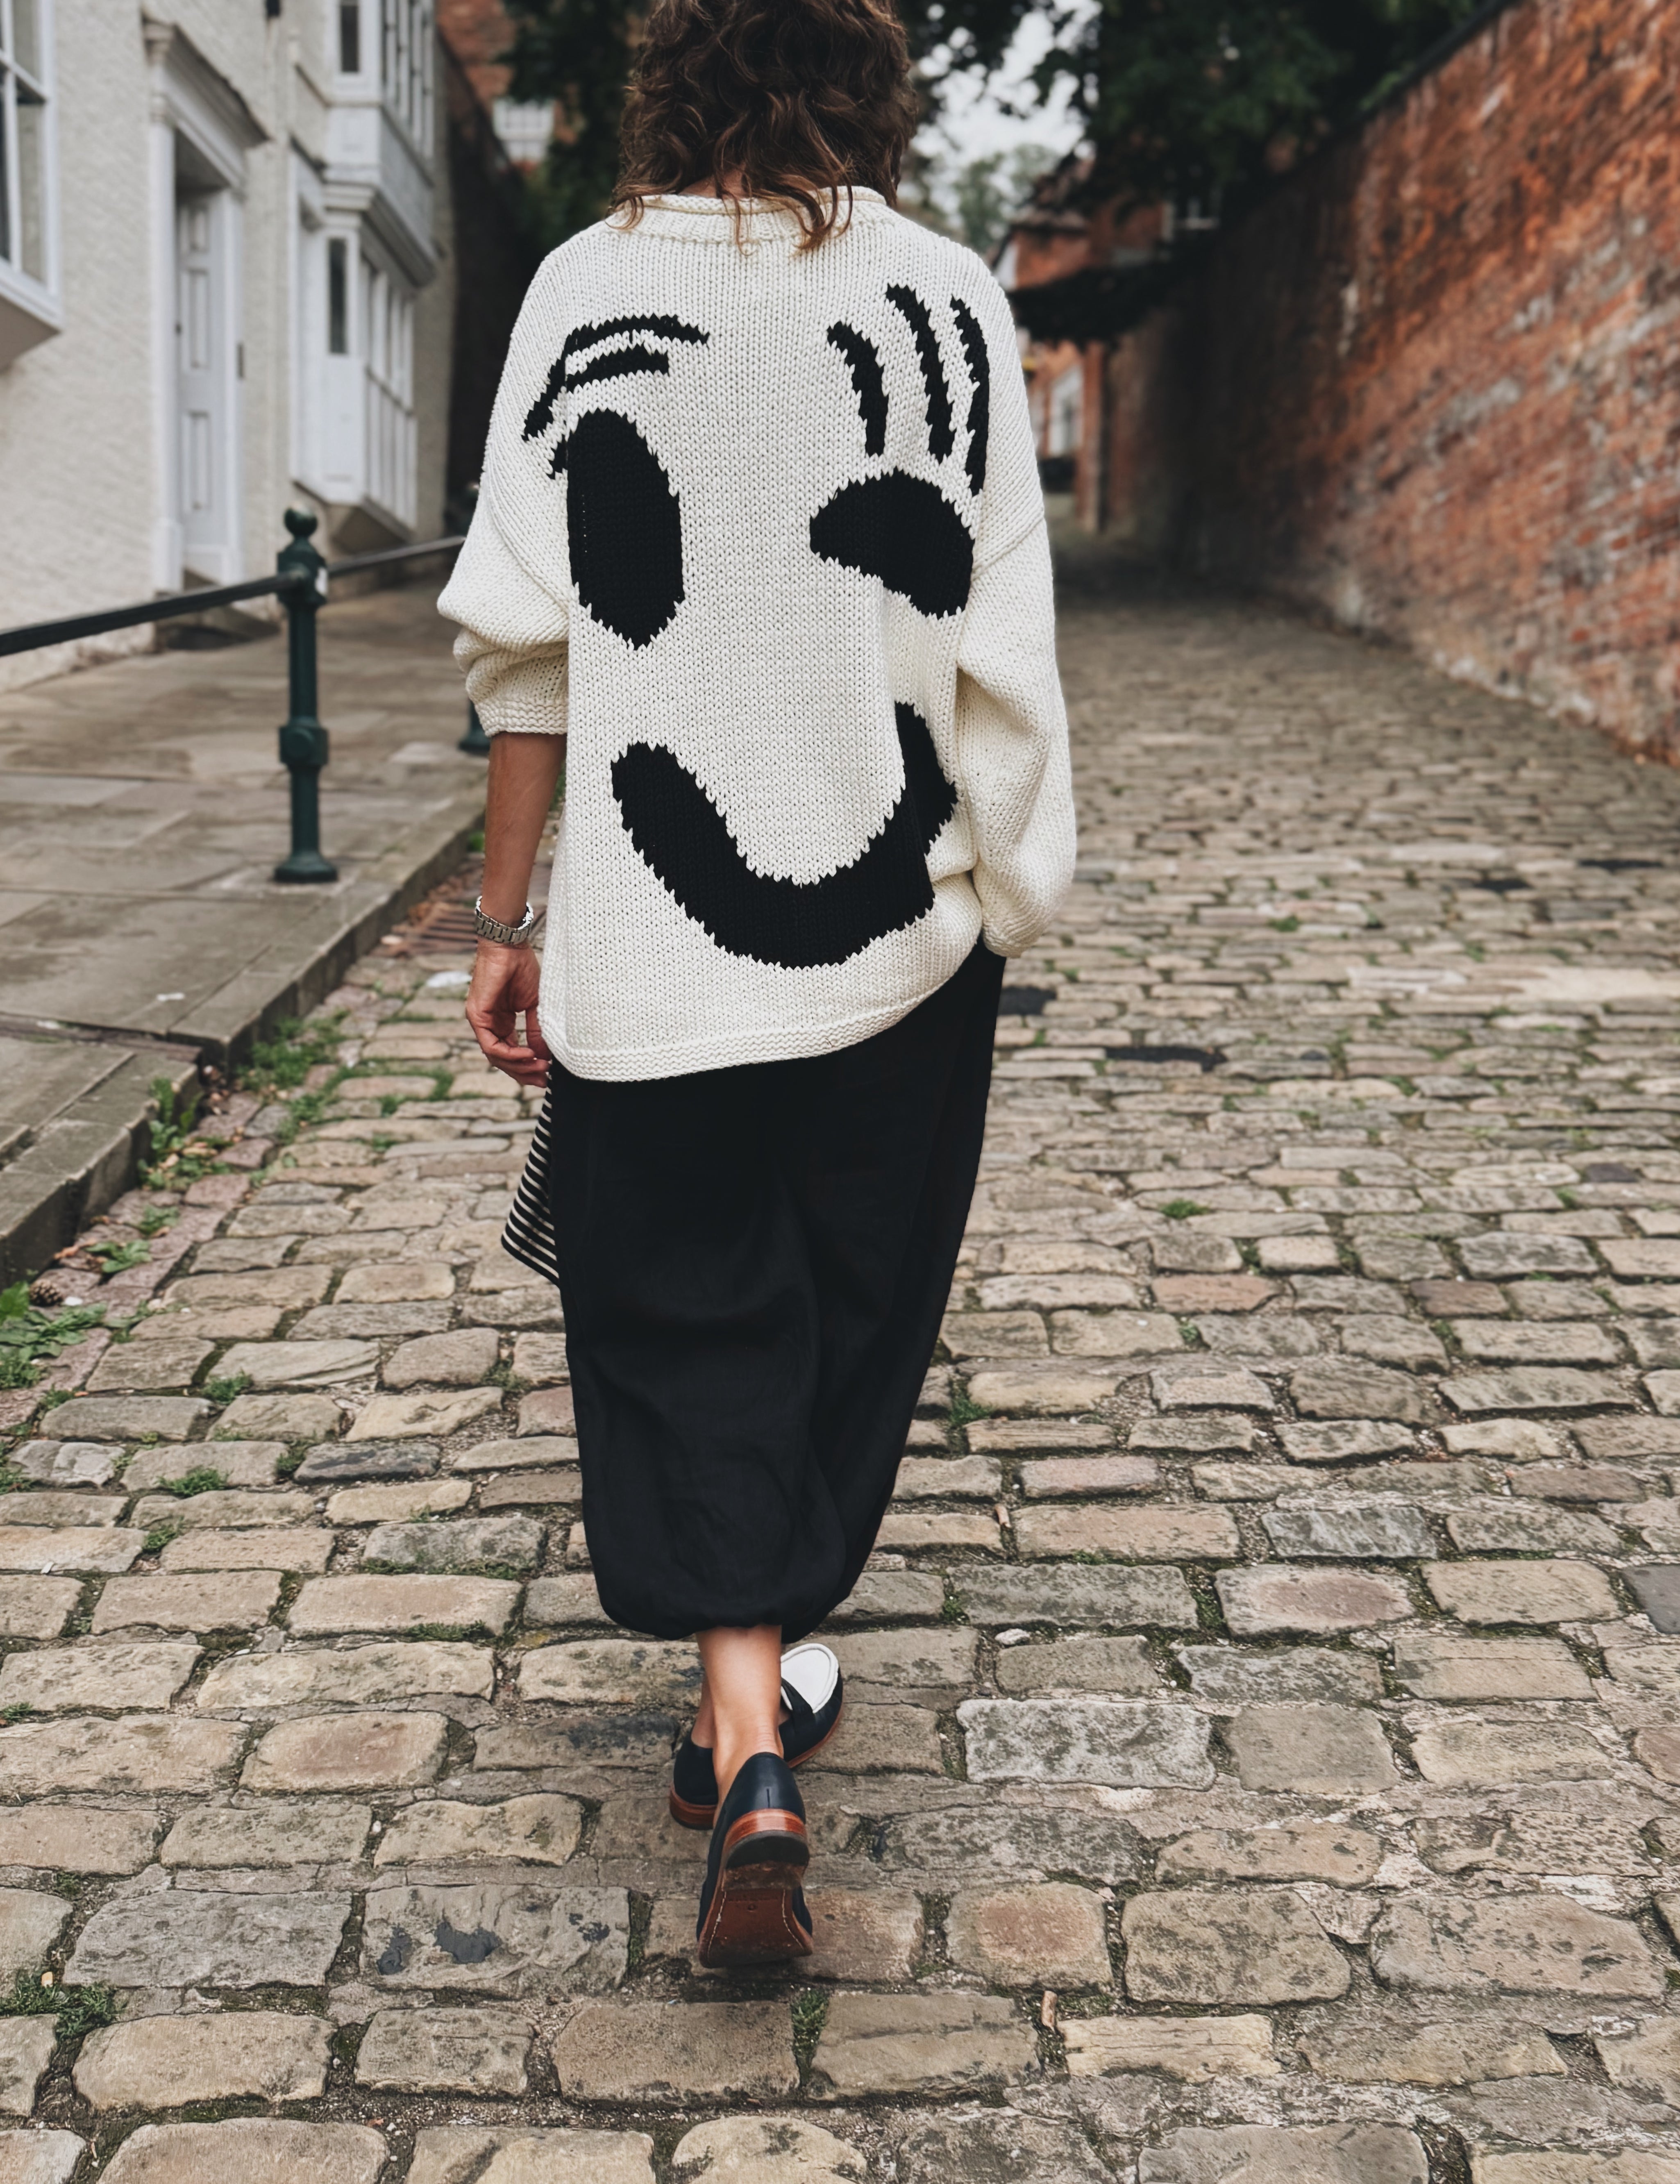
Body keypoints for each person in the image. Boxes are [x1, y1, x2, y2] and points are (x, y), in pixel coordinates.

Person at [439, 0, 1075, 1968]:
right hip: (893, 945)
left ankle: (744, 1723)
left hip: (649, 938)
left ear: (672, 73)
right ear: (867, 83)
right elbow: (1002, 648)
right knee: (850, 1307)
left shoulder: (578, 286)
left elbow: (527, 658)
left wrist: (503, 918)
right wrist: (1007, 886)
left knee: (684, 1305)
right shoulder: (952, 300)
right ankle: (758, 1710)